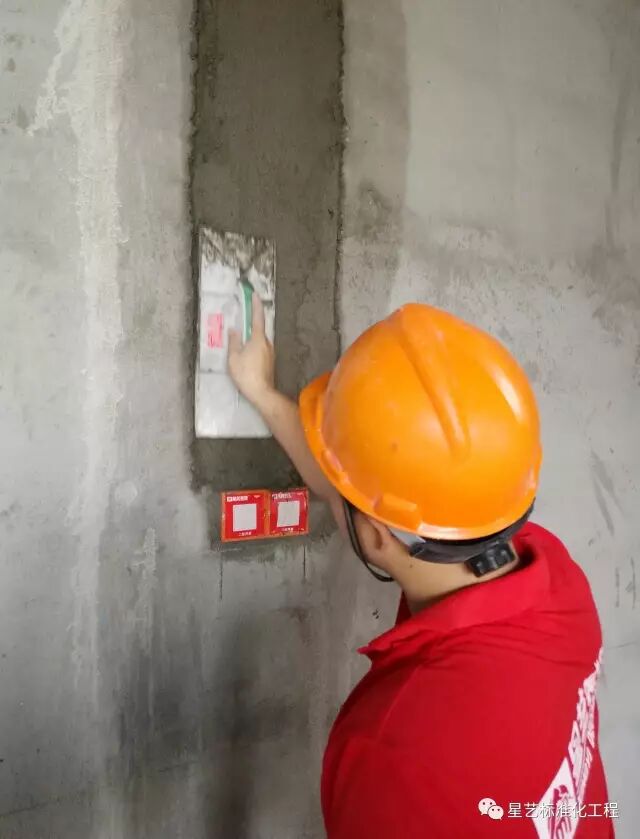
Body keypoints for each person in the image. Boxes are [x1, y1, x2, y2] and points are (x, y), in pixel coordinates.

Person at [228, 299, 612, 839]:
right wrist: (264, 395)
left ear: (375, 536)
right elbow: (367, 499)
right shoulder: (559, 586)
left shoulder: (398, 753)